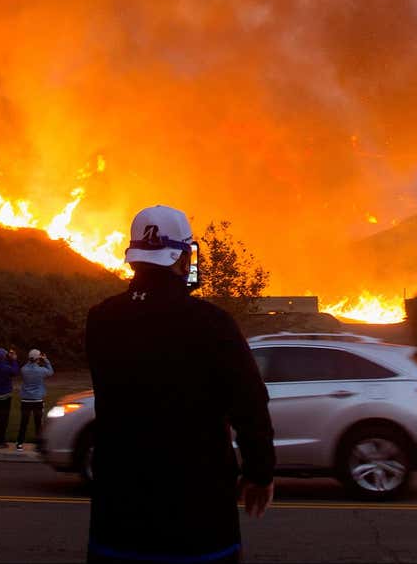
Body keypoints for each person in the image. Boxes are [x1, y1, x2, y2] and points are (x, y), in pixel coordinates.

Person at [85, 204, 274, 563]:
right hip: (197, 517)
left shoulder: (101, 319)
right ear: (183, 258)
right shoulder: (212, 323)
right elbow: (249, 403)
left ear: (135, 256)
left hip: (118, 515)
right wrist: (260, 472)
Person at [15, 348, 54, 450]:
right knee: (38, 424)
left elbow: (28, 365)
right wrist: (45, 360)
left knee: (24, 422)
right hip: (37, 400)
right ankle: (38, 445)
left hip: (25, 400)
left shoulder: (23, 369)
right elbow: (51, 372)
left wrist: (34, 359)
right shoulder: (41, 370)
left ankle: (19, 444)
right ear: (38, 358)